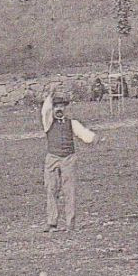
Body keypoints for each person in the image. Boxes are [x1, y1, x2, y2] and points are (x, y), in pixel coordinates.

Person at [39, 86, 98, 232]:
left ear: (65, 109)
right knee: (51, 189)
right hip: (52, 157)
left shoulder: (71, 123)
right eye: (56, 107)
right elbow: (45, 111)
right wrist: (49, 98)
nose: (59, 109)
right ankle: (52, 222)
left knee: (69, 190)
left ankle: (70, 223)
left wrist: (92, 138)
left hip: (69, 158)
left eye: (61, 107)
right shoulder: (48, 122)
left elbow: (82, 133)